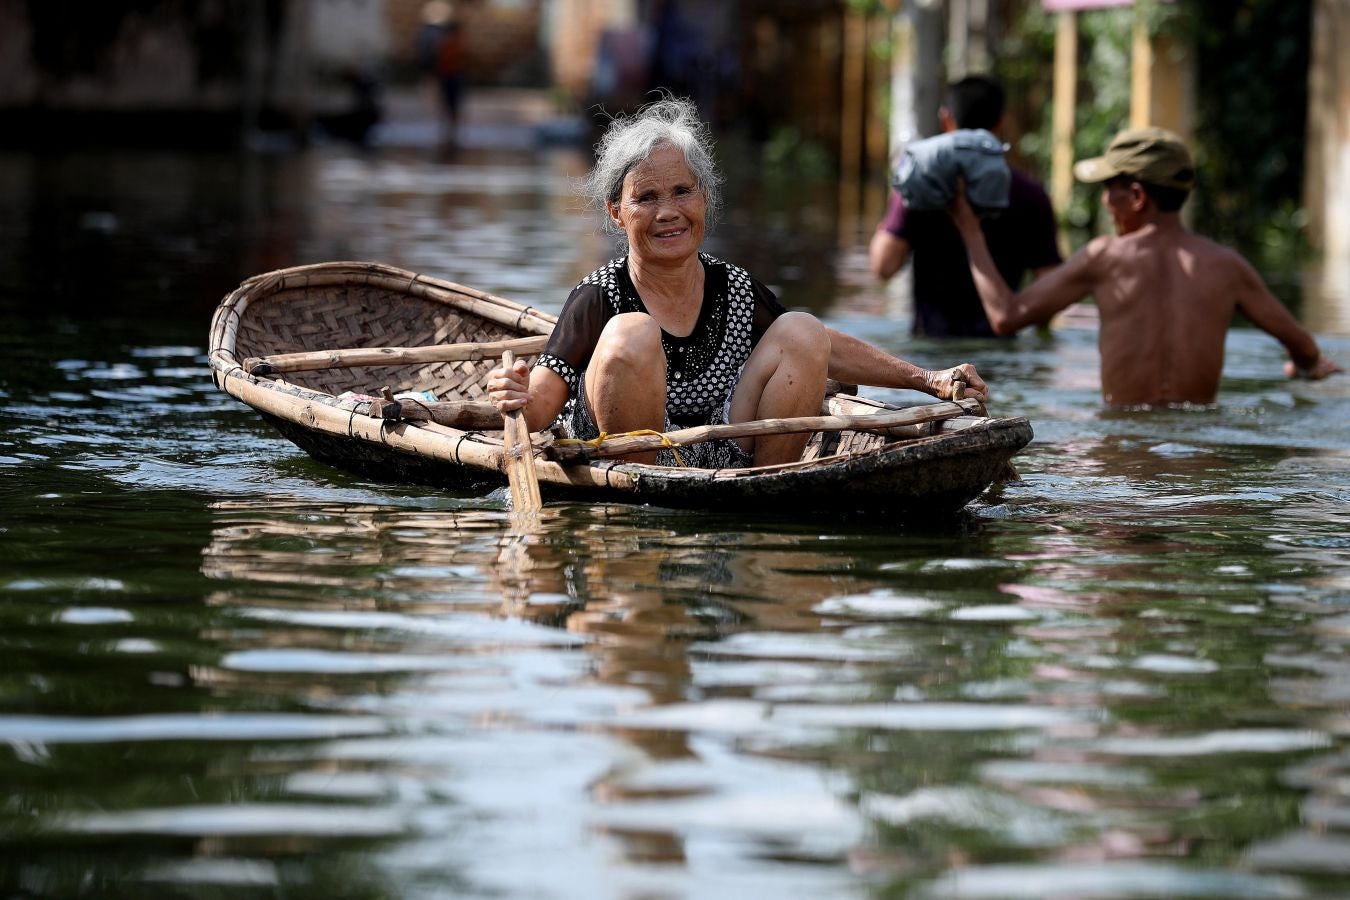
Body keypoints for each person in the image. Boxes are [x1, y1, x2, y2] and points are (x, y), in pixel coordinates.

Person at [487, 97, 987, 469]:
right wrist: (516, 395)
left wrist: (929, 380)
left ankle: (769, 484)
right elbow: (540, 404)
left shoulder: (734, 288)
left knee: (803, 329)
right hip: (629, 464)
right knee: (631, 332)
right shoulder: (598, 295)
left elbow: (823, 348)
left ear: (704, 200)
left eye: (682, 192)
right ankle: (642, 507)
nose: (668, 212)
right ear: (617, 212)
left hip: (724, 457)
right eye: (647, 198)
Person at [950, 126, 1342, 407]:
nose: (1105, 201)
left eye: (1109, 189)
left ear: (1137, 196)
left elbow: (1006, 316)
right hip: (1199, 464)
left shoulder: (1105, 257)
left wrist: (970, 229)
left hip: (1122, 458)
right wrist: (1304, 366)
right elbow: (1306, 348)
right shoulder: (1228, 267)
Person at [869, 75, 1062, 337]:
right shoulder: (1030, 193)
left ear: (946, 119)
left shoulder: (922, 187)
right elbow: (1050, 291)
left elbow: (883, 266)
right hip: (1001, 346)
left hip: (930, 352)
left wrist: (902, 189)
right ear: (1001, 122)